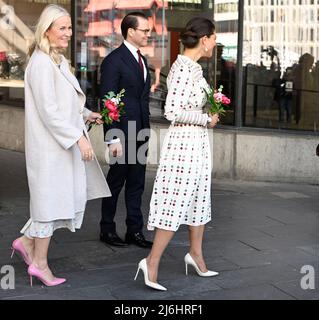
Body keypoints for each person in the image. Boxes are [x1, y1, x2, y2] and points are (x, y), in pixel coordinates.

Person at [10, 4, 110, 287]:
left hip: (59, 149)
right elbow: (49, 112)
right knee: (49, 204)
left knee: (56, 202)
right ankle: (39, 263)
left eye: (69, 28)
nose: (68, 33)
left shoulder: (58, 61)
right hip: (50, 150)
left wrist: (87, 114)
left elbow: (66, 104)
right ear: (47, 30)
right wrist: (78, 137)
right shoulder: (41, 64)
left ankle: (26, 242)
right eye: (62, 28)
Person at [134, 17, 220, 291]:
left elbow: (193, 106)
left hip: (197, 145)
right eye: (214, 37)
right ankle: (151, 261)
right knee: (176, 201)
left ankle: (195, 254)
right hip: (183, 147)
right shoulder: (183, 68)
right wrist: (206, 119)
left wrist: (211, 111)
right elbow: (172, 111)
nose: (215, 43)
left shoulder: (193, 68)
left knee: (198, 199)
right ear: (204, 39)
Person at [99, 12, 153, 248]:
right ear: (131, 31)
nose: (148, 34)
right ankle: (107, 229)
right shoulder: (113, 60)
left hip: (141, 130)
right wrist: (112, 138)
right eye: (145, 30)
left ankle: (135, 230)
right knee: (116, 181)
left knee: (137, 182)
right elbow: (108, 100)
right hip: (121, 133)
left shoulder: (142, 60)